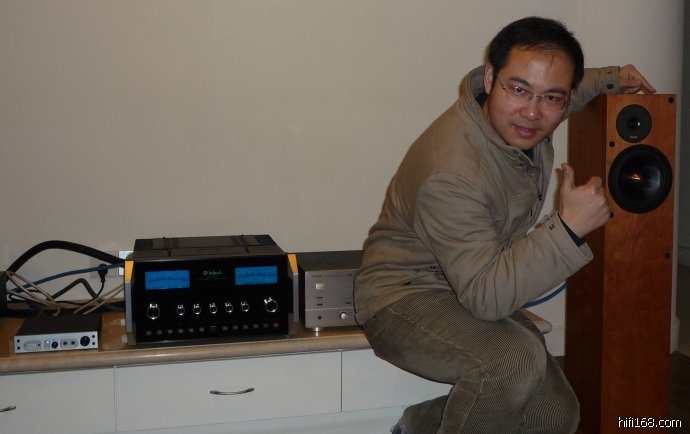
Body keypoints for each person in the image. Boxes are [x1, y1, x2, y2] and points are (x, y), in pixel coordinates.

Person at [353, 16, 655, 434]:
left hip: (474, 278)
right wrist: (567, 228)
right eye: (519, 90)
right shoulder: (451, 172)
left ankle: (420, 427)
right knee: (512, 362)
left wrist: (610, 79)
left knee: (554, 415)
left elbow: (566, 88)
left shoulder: (524, 115)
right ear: (491, 78)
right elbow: (485, 298)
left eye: (551, 98)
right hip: (404, 297)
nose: (532, 112)